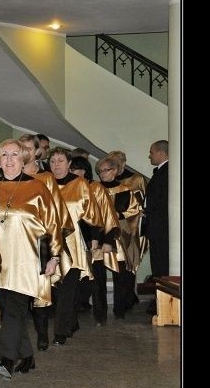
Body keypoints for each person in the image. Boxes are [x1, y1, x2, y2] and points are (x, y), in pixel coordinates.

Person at [0, 139, 63, 378]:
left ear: (23, 159)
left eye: (15, 154)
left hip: (27, 261)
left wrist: (54, 256)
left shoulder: (38, 188)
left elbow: (53, 224)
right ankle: (27, 356)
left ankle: (7, 359)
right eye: (4, 154)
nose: (9, 159)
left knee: (15, 309)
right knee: (9, 311)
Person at [18, 134, 73, 350]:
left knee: (42, 290)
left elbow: (57, 212)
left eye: (29, 149)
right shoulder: (11, 177)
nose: (25, 153)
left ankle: (42, 334)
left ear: (37, 152)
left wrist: (54, 245)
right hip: (17, 242)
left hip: (41, 240)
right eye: (21, 148)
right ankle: (19, 338)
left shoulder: (47, 179)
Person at [47, 147, 106, 342]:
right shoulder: (44, 183)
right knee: (56, 288)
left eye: (61, 161)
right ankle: (70, 322)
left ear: (69, 164)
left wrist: (95, 239)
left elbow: (92, 212)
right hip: (49, 243)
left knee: (69, 286)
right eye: (52, 161)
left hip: (73, 244)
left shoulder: (80, 184)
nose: (56, 165)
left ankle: (61, 332)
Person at [69, 156, 121, 327]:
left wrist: (107, 240)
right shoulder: (69, 188)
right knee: (74, 282)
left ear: (84, 171)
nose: (71, 172)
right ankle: (72, 318)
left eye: (75, 169)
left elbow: (108, 215)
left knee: (97, 283)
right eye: (70, 169)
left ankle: (100, 316)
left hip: (95, 242)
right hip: (74, 242)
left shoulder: (96, 188)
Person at [96, 156, 142, 319]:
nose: (102, 173)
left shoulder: (125, 190)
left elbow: (134, 211)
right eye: (100, 171)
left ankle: (119, 309)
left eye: (106, 170)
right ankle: (99, 312)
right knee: (98, 275)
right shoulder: (94, 189)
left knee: (120, 275)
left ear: (115, 171)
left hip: (119, 238)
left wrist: (118, 215)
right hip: (99, 237)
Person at [144, 140, 169, 315]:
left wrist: (147, 211)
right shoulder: (162, 171)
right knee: (158, 266)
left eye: (152, 152)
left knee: (161, 267)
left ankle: (162, 303)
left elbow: (162, 202)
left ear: (162, 152)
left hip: (161, 229)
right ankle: (160, 301)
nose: (150, 155)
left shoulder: (167, 172)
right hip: (157, 228)